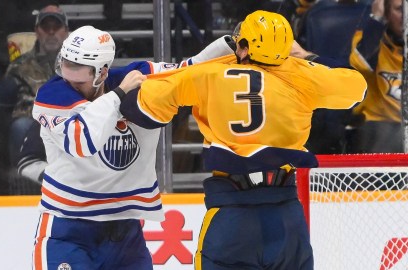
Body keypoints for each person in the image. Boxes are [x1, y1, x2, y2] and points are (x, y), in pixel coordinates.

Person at [120, 10, 367, 269]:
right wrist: (306, 57)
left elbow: (139, 106)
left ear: (244, 47)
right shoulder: (304, 75)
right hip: (286, 215)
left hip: (232, 213)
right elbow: (357, 87)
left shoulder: (209, 74)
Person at [30, 24, 236, 269]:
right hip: (68, 226)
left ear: (102, 72)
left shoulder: (136, 76)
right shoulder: (52, 94)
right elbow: (82, 141)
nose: (70, 78)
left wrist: (232, 44)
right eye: (67, 65)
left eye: (79, 70)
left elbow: (191, 69)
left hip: (125, 230)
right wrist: (119, 95)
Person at [5, 3, 69, 168]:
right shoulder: (19, 65)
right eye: (45, 27)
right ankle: (21, 183)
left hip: (69, 118)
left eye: (57, 27)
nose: (51, 32)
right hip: (31, 119)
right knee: (20, 126)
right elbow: (8, 104)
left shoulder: (78, 63)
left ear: (66, 32)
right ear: (37, 31)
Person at [348, 0, 403, 153]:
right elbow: (360, 64)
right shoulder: (371, 39)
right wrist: (377, 18)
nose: (406, 16)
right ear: (386, 13)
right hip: (376, 125)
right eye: (399, 9)